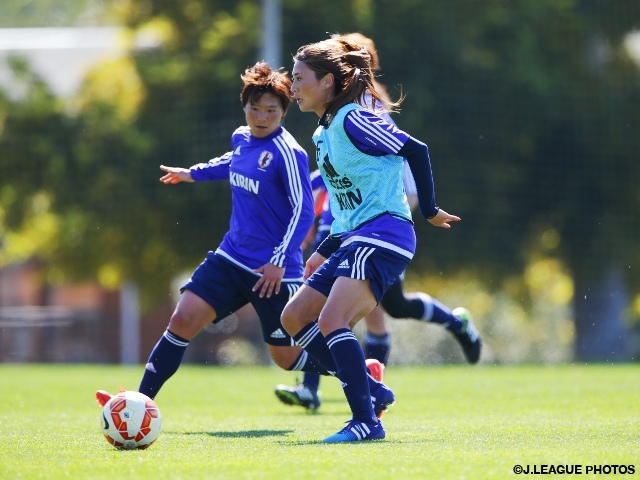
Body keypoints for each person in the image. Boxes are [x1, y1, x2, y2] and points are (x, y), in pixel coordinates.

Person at [95, 61, 333, 406]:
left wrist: (279, 261)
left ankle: (358, 375)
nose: (262, 117)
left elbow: (303, 210)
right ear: (245, 107)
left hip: (272, 273)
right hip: (230, 257)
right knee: (183, 318)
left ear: (284, 112)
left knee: (284, 358)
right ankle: (137, 404)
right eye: (255, 108)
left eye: (271, 110)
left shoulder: (289, 153)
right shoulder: (242, 136)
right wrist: (192, 173)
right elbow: (232, 160)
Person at [274, 33, 481, 413]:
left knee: (333, 320)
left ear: (327, 82)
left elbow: (415, 149)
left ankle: (366, 419)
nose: (293, 86)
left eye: (299, 78)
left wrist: (430, 210)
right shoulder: (322, 133)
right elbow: (347, 209)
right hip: (354, 236)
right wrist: (322, 251)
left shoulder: (355, 119)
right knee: (293, 318)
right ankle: (371, 387)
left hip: (384, 233)